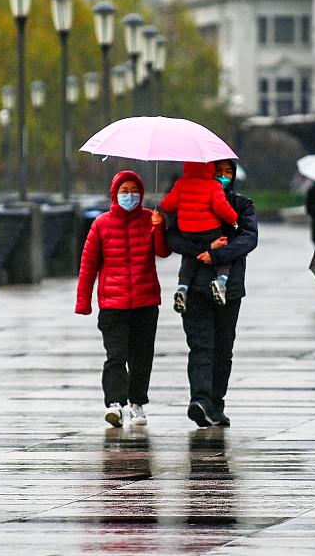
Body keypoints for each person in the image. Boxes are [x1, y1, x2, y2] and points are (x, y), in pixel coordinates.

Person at [166, 159, 257, 428]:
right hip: (194, 286)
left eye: (229, 172)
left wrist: (216, 254)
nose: (224, 176)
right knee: (201, 345)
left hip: (229, 288)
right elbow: (172, 238)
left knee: (223, 348)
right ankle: (201, 400)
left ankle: (215, 404)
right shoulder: (189, 198)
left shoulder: (242, 205)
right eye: (219, 171)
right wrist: (203, 250)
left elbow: (249, 238)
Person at [76, 170, 169, 427]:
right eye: (124, 191)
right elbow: (88, 265)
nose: (130, 195)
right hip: (113, 303)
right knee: (115, 355)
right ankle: (114, 404)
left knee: (141, 356)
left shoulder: (151, 218)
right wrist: (83, 301)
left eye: (134, 190)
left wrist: (160, 229)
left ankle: (137, 403)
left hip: (145, 301)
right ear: (115, 195)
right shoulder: (101, 224)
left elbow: (163, 251)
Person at [159, 161, 239, 313]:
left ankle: (182, 288)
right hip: (211, 231)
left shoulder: (181, 183)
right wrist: (233, 218)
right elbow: (221, 208)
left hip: (187, 232)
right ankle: (221, 281)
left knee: (190, 258)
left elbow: (167, 205)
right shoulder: (213, 185)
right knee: (223, 253)